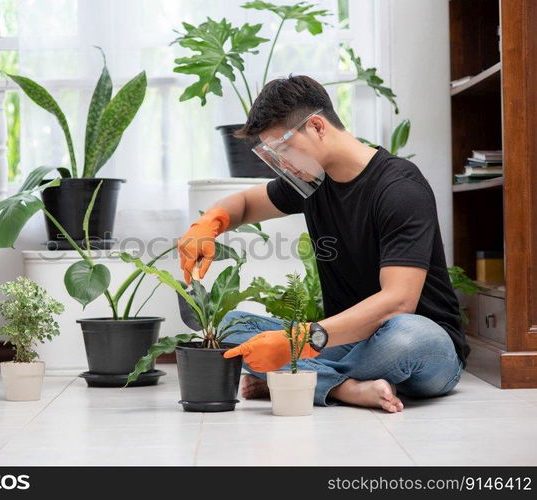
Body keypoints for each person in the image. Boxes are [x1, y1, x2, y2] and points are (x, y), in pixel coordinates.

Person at [177, 75, 467, 413]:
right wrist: (209, 223)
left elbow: (398, 301)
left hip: (422, 348)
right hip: (343, 342)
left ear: (316, 126)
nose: (282, 164)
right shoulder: (311, 181)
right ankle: (346, 388)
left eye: (283, 149)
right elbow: (244, 203)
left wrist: (296, 342)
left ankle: (299, 379)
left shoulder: (400, 188)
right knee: (230, 326)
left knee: (405, 334)